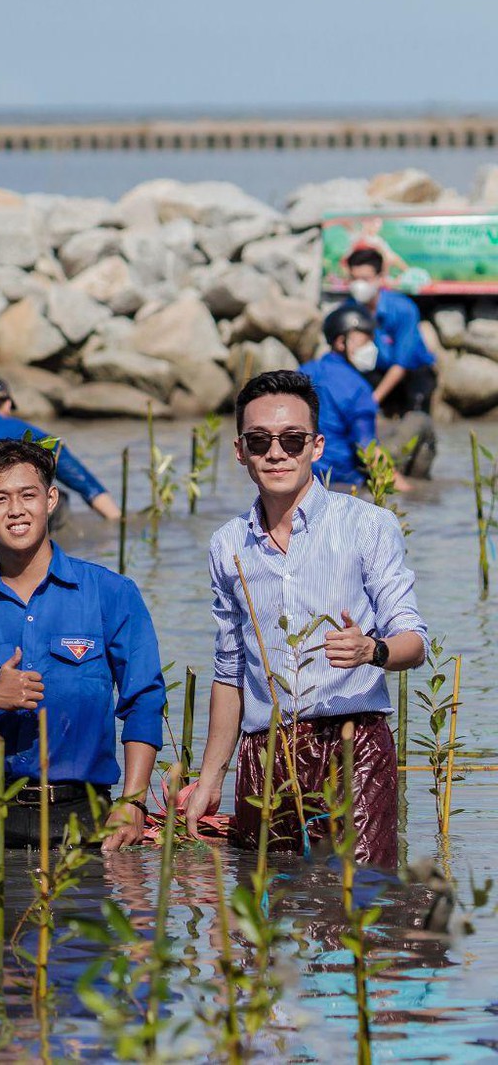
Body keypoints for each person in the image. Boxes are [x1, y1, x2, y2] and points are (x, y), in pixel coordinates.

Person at [181, 370, 427, 867]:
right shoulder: (228, 544)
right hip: (263, 754)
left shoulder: (367, 525)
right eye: (260, 441)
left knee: (359, 911)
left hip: (351, 747)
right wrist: (211, 778)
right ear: (240, 450)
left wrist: (372, 650)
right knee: (263, 916)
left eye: (292, 440)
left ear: (316, 446)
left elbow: (414, 642)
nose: (276, 453)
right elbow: (230, 671)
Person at [0, 438, 165, 851]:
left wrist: (132, 800)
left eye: (28, 495)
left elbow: (143, 700)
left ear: (51, 499)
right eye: (0, 499)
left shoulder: (111, 593)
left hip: (85, 817)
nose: (16, 510)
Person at [0, 376, 120, 523]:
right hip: (24, 523)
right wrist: (115, 519)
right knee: (56, 496)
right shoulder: (27, 432)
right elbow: (80, 479)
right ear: (7, 404)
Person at [343, 246, 437, 477]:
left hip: (413, 375)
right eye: (354, 279)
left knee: (416, 425)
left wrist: (372, 400)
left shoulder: (403, 309)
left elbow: (401, 365)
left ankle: (414, 478)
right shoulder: (349, 310)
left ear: (380, 278)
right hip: (375, 372)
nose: (359, 285)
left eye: (365, 279)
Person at [298, 305, 384, 490]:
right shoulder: (359, 387)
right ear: (340, 342)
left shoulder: (303, 371)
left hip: (303, 476)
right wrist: (409, 493)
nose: (371, 348)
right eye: (364, 341)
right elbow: (367, 448)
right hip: (343, 480)